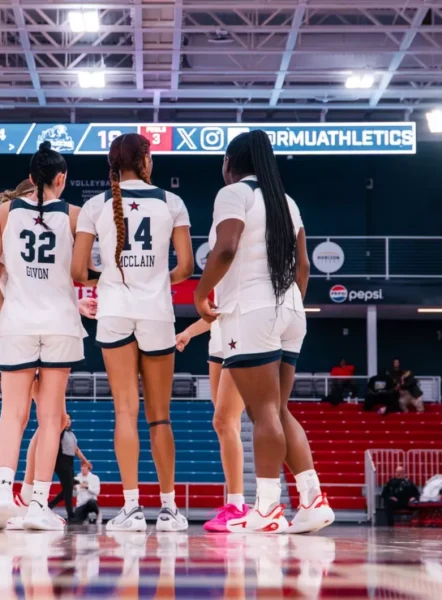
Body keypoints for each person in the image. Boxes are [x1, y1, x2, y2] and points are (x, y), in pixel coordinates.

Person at [193, 130, 334, 534]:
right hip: (290, 306)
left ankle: (268, 508)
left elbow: (226, 247)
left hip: (251, 310)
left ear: (229, 163)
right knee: (277, 409)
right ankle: (312, 499)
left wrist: (201, 293)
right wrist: (287, 305)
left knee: (264, 413)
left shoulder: (233, 194)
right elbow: (303, 266)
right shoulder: (287, 201)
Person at [72, 132, 194, 533]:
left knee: (125, 410)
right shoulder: (172, 202)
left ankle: (131, 508)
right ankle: (170, 510)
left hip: (115, 312)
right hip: (157, 313)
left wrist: (108, 277)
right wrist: (155, 280)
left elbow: (78, 272)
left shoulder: (95, 205)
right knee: (160, 417)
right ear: (144, 161)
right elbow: (186, 267)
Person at [0, 141, 84, 532]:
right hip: (60, 323)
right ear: (61, 179)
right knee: (51, 417)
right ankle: (38, 504)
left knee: (13, 413)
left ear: (30, 177)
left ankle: (4, 496)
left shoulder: (5, 211)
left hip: (17, 323)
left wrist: (6, 309)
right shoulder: (75, 215)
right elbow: (83, 272)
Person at [175, 317, 249, 531]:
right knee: (226, 425)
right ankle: (236, 504)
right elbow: (217, 311)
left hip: (241, 340)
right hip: (218, 344)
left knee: (224, 421)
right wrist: (189, 332)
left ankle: (238, 506)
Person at [48, 414, 92, 520]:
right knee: (68, 488)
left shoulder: (71, 434)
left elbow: (76, 449)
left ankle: (50, 505)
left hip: (70, 461)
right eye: (66, 419)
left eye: (69, 419)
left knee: (68, 487)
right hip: (61, 461)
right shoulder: (60, 432)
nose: (68, 421)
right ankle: (70, 515)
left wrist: (85, 461)